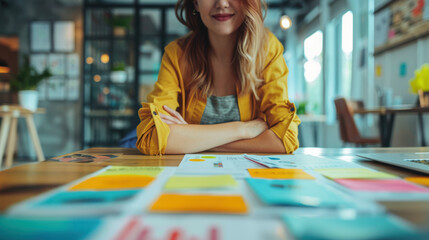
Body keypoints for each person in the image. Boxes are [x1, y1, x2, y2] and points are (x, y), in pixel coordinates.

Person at [136, 0, 300, 155]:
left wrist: (193, 139)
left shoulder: (268, 50)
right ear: (196, 3)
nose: (221, 3)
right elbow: (152, 136)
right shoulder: (176, 54)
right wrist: (242, 130)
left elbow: (284, 139)